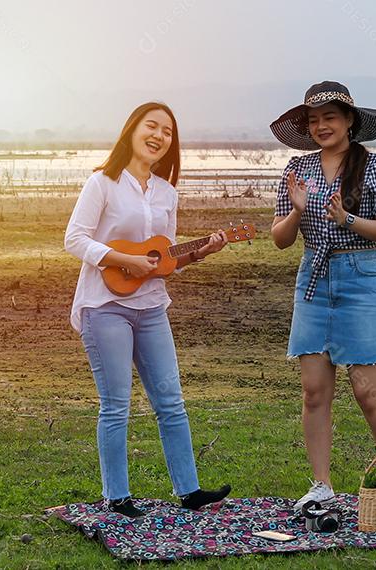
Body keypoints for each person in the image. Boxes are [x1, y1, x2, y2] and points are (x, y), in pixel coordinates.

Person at [65, 101, 231, 518]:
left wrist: (200, 253)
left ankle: (189, 490)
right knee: (116, 404)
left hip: (151, 307)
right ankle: (117, 496)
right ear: (132, 130)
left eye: (167, 132)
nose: (159, 136)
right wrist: (123, 260)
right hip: (105, 307)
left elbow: (163, 260)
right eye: (151, 126)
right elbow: (75, 239)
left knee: (171, 401)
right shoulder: (102, 183)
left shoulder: (167, 193)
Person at [270, 81, 376, 510]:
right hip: (313, 278)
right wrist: (297, 210)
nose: (321, 126)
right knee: (313, 391)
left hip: (361, 276)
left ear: (349, 121)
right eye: (313, 120)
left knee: (368, 393)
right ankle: (321, 485)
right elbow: (280, 239)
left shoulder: (374, 165)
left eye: (330, 117)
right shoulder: (298, 169)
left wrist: (347, 219)